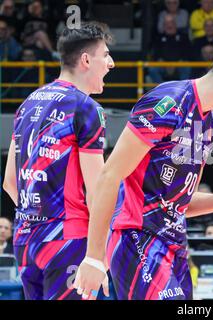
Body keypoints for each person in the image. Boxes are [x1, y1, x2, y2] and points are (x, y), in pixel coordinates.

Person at [73, 34, 213, 300]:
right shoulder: (168, 102)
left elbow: (180, 204)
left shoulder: (209, 126)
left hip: (173, 245)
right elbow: (109, 175)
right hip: (136, 236)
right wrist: (94, 256)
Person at [2, 21, 115, 300]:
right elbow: (98, 193)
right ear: (86, 60)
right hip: (67, 240)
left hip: (26, 240)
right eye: (106, 55)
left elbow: (9, 183)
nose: (111, 64)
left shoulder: (28, 103)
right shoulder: (86, 108)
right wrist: (99, 256)